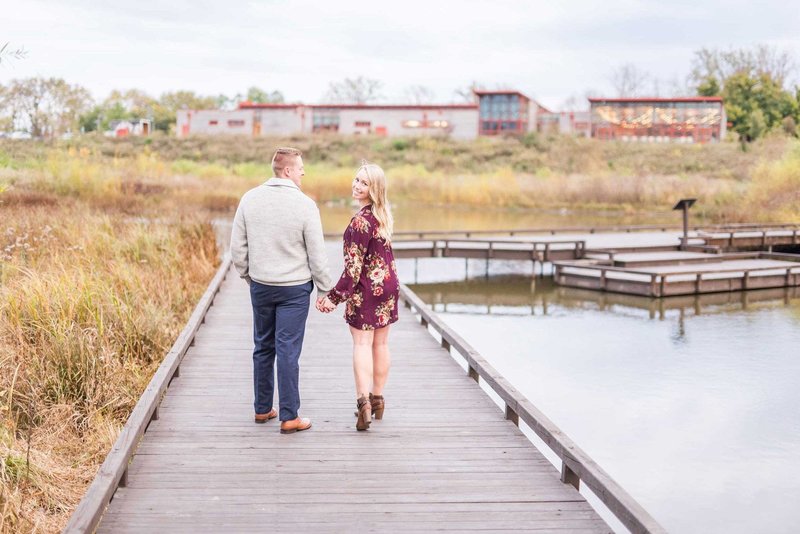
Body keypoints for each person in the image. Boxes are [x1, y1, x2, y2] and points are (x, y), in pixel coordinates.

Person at [230, 147, 333, 434]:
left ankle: (262, 409)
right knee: (287, 349)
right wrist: (325, 289)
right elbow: (317, 253)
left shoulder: (249, 199)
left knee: (263, 346)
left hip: (262, 286)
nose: (303, 172)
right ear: (287, 170)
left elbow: (237, 249)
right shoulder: (305, 205)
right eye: (300, 167)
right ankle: (289, 416)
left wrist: (249, 276)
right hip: (294, 289)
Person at [317, 161, 399, 431]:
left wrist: (332, 297)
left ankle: (363, 402)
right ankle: (378, 400)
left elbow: (352, 271)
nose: (356, 185)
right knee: (382, 344)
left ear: (373, 189)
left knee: (362, 345)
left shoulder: (359, 223)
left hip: (367, 289)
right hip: (387, 286)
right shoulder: (382, 216)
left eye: (364, 183)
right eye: (356, 179)